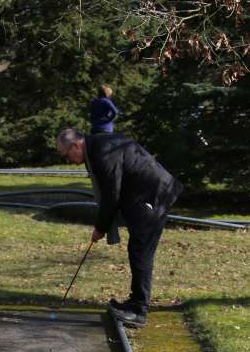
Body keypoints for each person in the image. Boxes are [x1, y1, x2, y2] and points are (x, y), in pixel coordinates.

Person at [56, 128, 182, 327]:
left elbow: (111, 196)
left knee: (141, 251)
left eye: (66, 155)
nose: (68, 161)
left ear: (76, 145)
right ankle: (134, 303)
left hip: (153, 194)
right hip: (143, 194)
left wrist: (100, 228)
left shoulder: (102, 152)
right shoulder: (97, 147)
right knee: (137, 249)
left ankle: (139, 311)